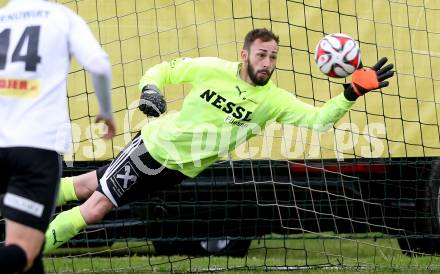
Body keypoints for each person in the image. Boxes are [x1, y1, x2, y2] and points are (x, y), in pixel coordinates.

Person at [43, 28, 394, 254]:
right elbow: (163, 70)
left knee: (89, 184)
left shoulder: (274, 100)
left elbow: (318, 121)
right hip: (154, 150)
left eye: (273, 57)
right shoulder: (212, 68)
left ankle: (19, 201)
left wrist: (350, 93)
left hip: (179, 169)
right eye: (261, 54)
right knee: (97, 206)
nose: (267, 63)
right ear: (244, 55)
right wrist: (150, 90)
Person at [0, 0, 116, 273]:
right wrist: (107, 111)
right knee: (23, 251)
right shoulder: (62, 17)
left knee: (29, 251)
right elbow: (99, 64)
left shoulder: (4, 17)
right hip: (35, 151)